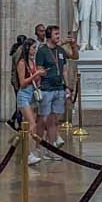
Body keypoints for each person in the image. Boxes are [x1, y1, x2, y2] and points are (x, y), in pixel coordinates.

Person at [35, 25, 71, 156]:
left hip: (59, 88)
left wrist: (67, 86)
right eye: (56, 34)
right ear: (49, 36)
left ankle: (51, 148)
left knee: (54, 120)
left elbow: (66, 68)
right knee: (42, 119)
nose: (58, 36)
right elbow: (38, 70)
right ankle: (38, 147)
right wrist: (42, 74)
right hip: (46, 88)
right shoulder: (42, 51)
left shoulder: (60, 50)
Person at [15, 37, 45, 165]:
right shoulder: (22, 62)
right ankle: (27, 154)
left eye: (36, 48)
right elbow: (22, 83)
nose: (35, 50)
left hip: (32, 93)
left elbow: (34, 80)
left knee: (32, 125)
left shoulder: (32, 61)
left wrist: (39, 76)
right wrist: (34, 74)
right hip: (24, 95)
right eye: (33, 48)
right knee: (31, 124)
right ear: (27, 48)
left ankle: (27, 150)